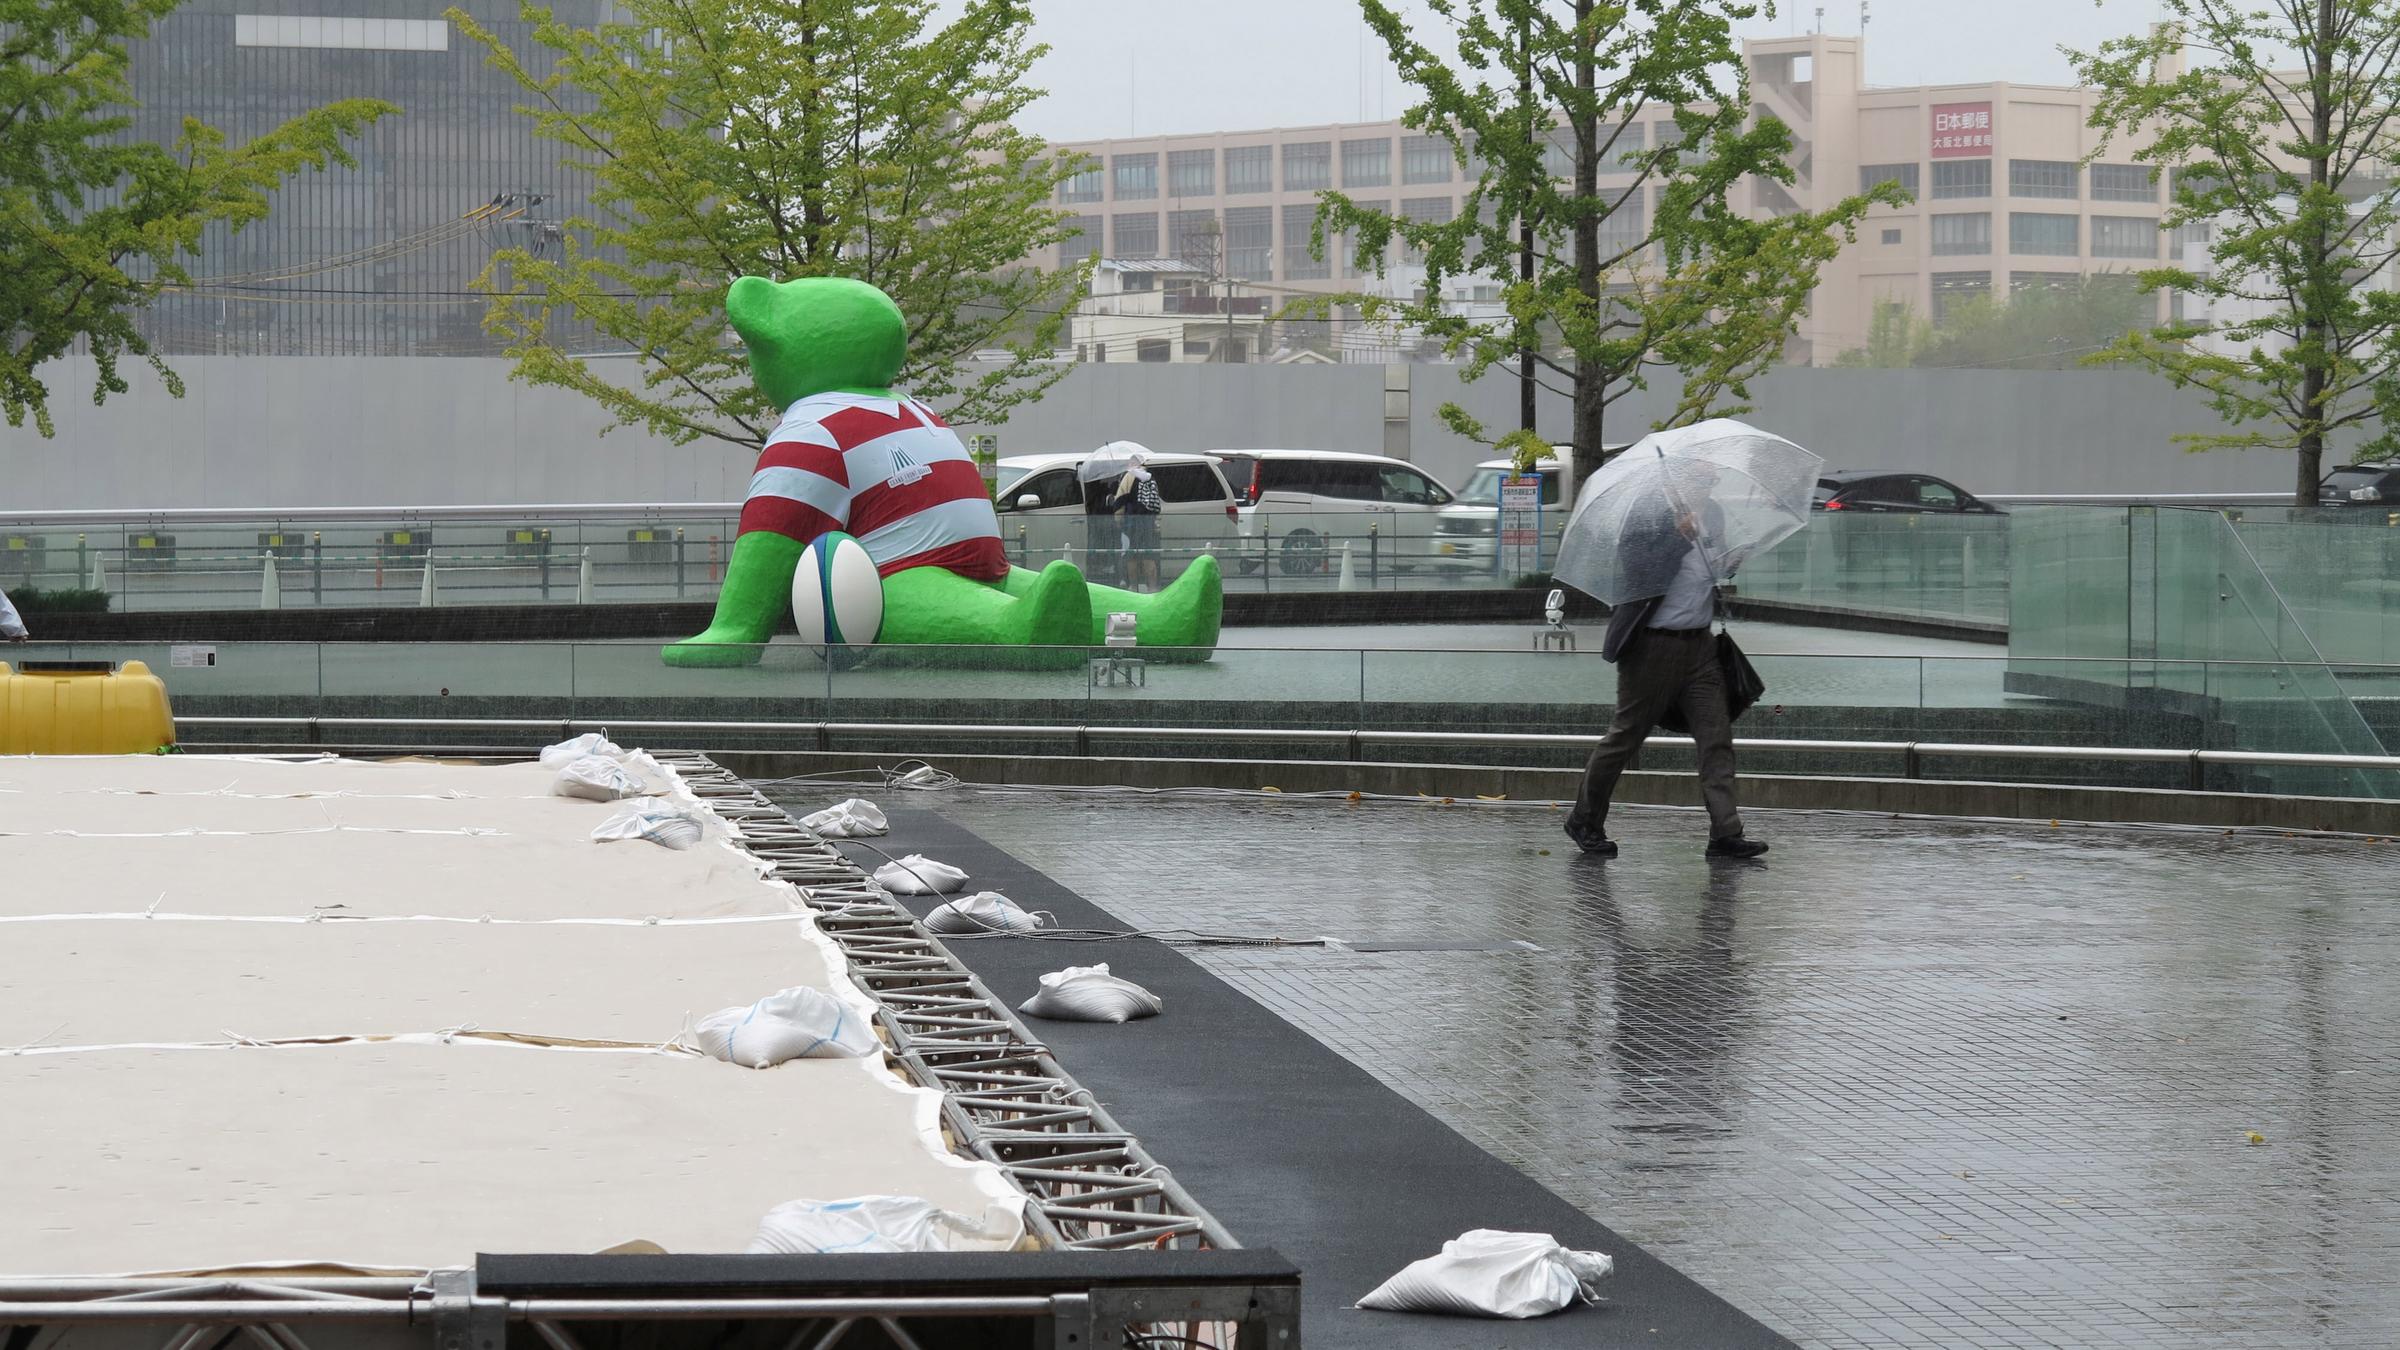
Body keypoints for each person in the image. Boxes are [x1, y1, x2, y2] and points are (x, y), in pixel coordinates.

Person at [1563, 486, 1767, 860]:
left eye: (1711, 470)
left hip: (1701, 646)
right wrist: (1678, 537)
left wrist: (1733, 559)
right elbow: (1637, 570)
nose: (1710, 476)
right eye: (1702, 469)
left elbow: (1711, 568)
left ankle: (1726, 832)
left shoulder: (1714, 512)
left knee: (1716, 737)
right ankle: (1584, 819)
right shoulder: (1647, 514)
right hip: (1653, 646)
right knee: (1626, 736)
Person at [1112, 453, 1164, 593]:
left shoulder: (1129, 477)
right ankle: (1152, 587)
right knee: (1149, 555)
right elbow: (1155, 504)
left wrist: (1118, 520)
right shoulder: (1150, 477)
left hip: (1132, 523)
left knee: (1132, 557)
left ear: (1132, 464)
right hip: (1149, 523)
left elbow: (1119, 502)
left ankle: (1133, 586)